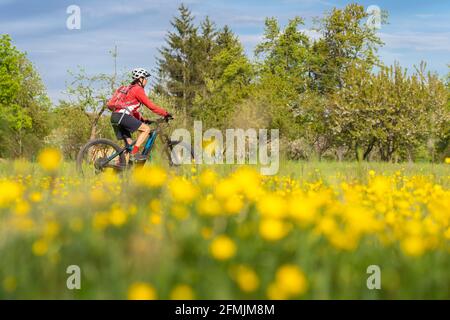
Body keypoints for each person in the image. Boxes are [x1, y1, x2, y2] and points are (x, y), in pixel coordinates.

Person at [108, 68, 172, 162]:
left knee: (129, 145)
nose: (146, 81)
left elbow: (131, 109)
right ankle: (134, 154)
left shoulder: (129, 89)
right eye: (145, 78)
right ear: (140, 79)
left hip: (115, 117)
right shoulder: (138, 90)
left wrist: (143, 120)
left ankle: (118, 164)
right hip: (123, 116)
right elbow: (151, 106)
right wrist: (165, 113)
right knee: (146, 129)